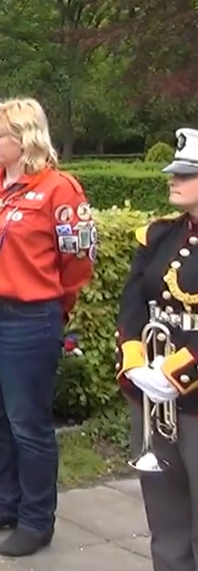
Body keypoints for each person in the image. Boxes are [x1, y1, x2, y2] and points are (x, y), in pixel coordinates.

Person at [0, 98, 95, 557]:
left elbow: (77, 260)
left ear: (25, 137)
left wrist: (53, 306)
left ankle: (36, 519)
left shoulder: (58, 189)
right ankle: (4, 502)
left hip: (27, 317)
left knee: (27, 423)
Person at [116, 127, 198, 571]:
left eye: (186, 174)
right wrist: (134, 361)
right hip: (156, 399)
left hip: (190, 394)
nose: (174, 179)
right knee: (165, 519)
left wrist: (178, 372)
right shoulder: (160, 235)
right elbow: (133, 303)